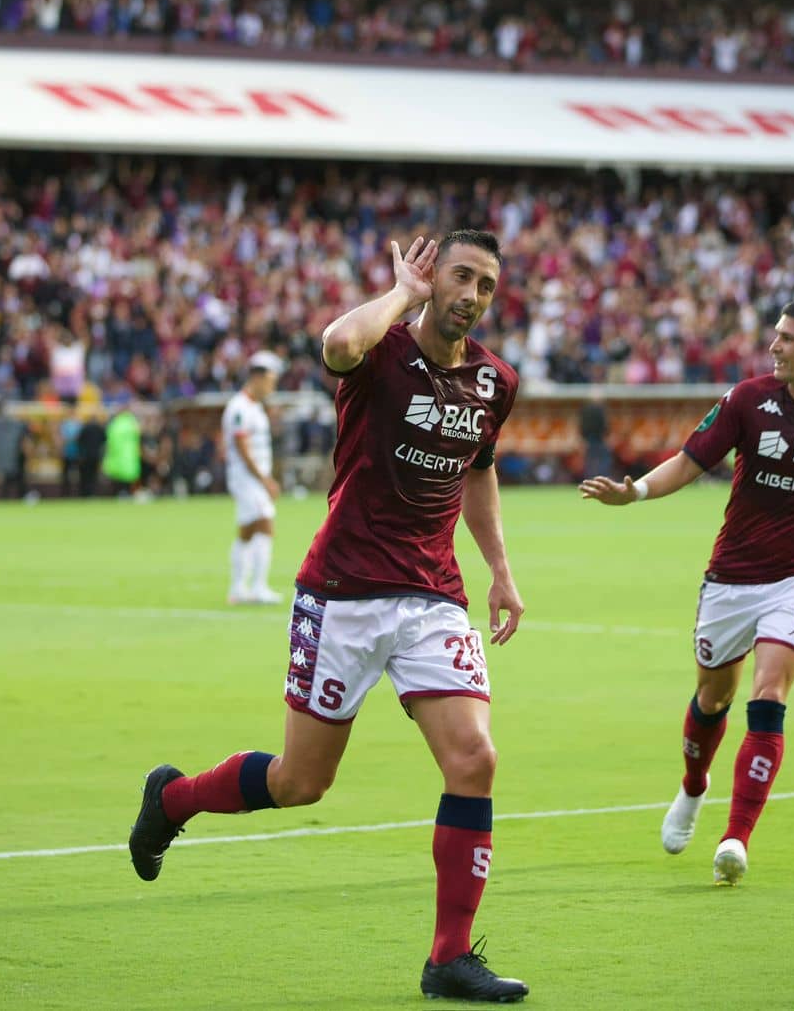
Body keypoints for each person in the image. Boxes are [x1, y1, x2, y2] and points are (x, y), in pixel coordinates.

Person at [128, 231, 529, 1003]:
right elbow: (338, 341)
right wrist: (402, 297)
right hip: (342, 592)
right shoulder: (379, 353)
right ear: (428, 278)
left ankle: (449, 957)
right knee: (301, 782)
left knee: (475, 760)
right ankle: (173, 799)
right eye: (459, 277)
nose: (472, 295)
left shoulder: (494, 383)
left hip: (433, 598)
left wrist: (500, 570)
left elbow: (479, 472)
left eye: (485, 283)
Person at [580, 295, 794, 888]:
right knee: (713, 698)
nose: (774, 346)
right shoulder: (748, 400)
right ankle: (692, 787)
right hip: (731, 578)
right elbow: (689, 461)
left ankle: (735, 837)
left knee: (770, 693)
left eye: (787, 338)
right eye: (775, 336)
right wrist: (632, 494)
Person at [222, 351, 285, 604]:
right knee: (266, 524)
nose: (272, 386)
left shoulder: (255, 407)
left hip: (253, 479)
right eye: (270, 380)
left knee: (247, 532)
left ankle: (238, 588)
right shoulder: (239, 407)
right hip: (246, 479)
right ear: (257, 378)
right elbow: (242, 448)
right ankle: (258, 587)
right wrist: (265, 479)